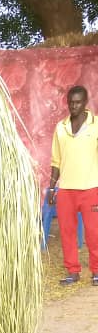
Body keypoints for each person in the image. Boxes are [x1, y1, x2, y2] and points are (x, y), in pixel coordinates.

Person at [47, 85, 98, 285]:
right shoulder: (61, 127)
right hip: (66, 189)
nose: (73, 106)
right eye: (70, 102)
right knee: (67, 233)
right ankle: (72, 271)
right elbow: (55, 161)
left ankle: (96, 271)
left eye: (77, 102)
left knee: (94, 232)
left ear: (85, 102)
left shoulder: (95, 125)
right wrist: (52, 188)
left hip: (91, 189)